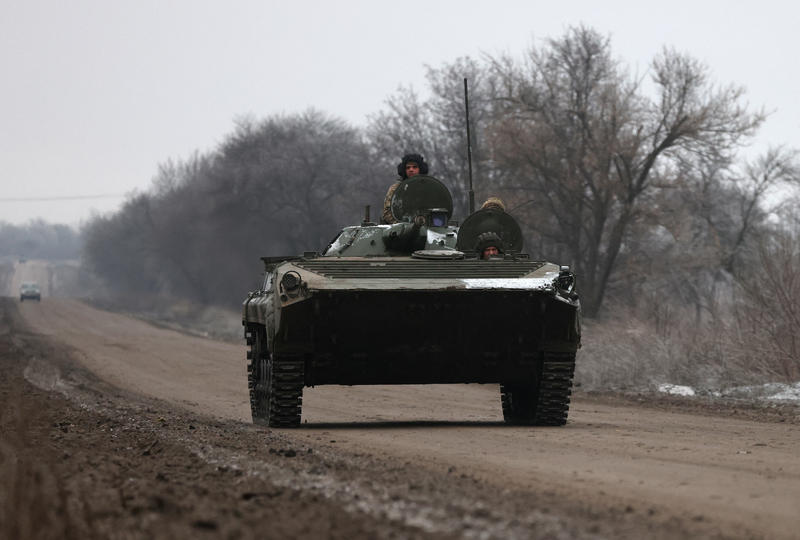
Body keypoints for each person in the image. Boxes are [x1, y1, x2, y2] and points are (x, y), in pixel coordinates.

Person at [381, 153, 429, 224]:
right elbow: (387, 213)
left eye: (414, 167)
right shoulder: (396, 189)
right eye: (408, 168)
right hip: (401, 229)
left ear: (420, 169)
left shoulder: (428, 187)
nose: (411, 170)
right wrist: (402, 225)